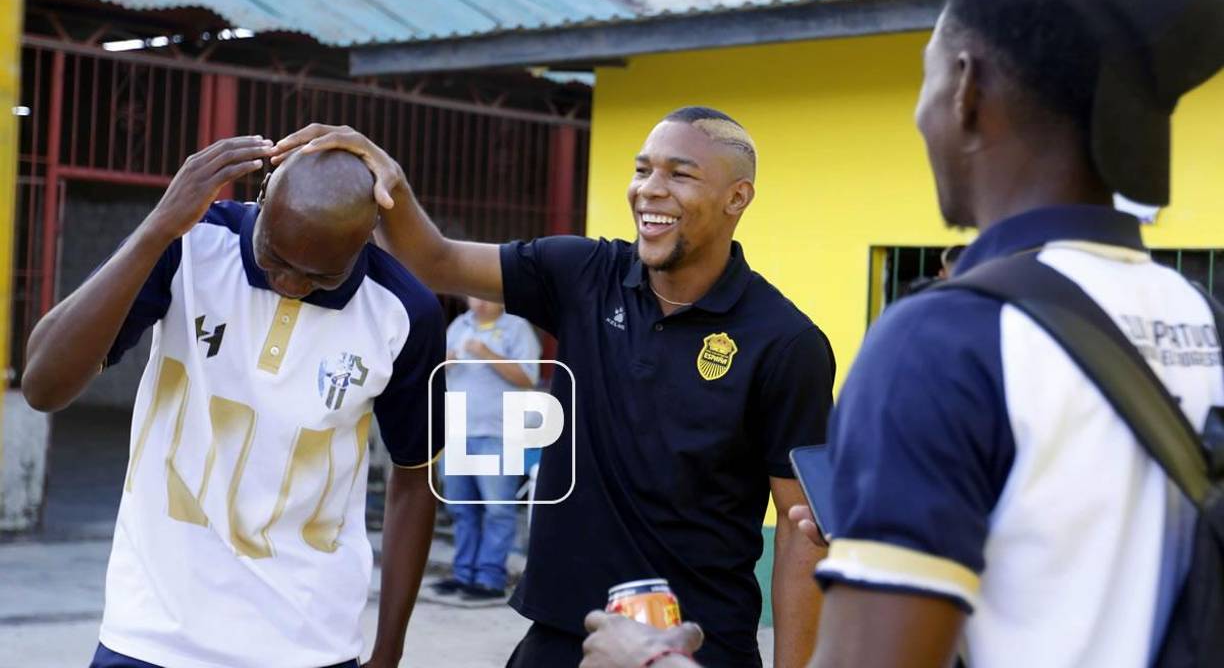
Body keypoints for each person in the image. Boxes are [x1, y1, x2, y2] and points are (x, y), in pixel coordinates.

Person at [580, 0, 1224, 668]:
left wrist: (649, 660)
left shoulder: (943, 343)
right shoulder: (1198, 317)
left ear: (966, 90)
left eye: (927, 72)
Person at [273, 105, 836, 668]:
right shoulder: (584, 274)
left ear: (737, 197)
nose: (650, 189)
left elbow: (800, 534)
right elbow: (434, 260)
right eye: (643, 170)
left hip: (694, 648)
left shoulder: (786, 344)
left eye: (679, 174)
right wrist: (388, 179)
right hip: (562, 635)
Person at [21, 138, 446, 668]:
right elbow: (43, 386)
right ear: (263, 195)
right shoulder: (188, 243)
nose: (290, 283)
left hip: (310, 645)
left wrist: (388, 651)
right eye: (275, 257)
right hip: (151, 635)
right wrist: (157, 228)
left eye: (320, 276)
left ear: (366, 238)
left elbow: (415, 479)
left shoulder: (404, 313)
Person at [431, 296, 541, 601]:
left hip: (499, 432)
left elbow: (528, 376)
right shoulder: (459, 324)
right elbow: (436, 367)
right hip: (458, 430)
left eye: (486, 297)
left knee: (497, 509)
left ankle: (490, 578)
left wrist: (488, 354)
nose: (479, 302)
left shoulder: (517, 328)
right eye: (473, 296)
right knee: (461, 507)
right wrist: (445, 360)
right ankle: (463, 573)